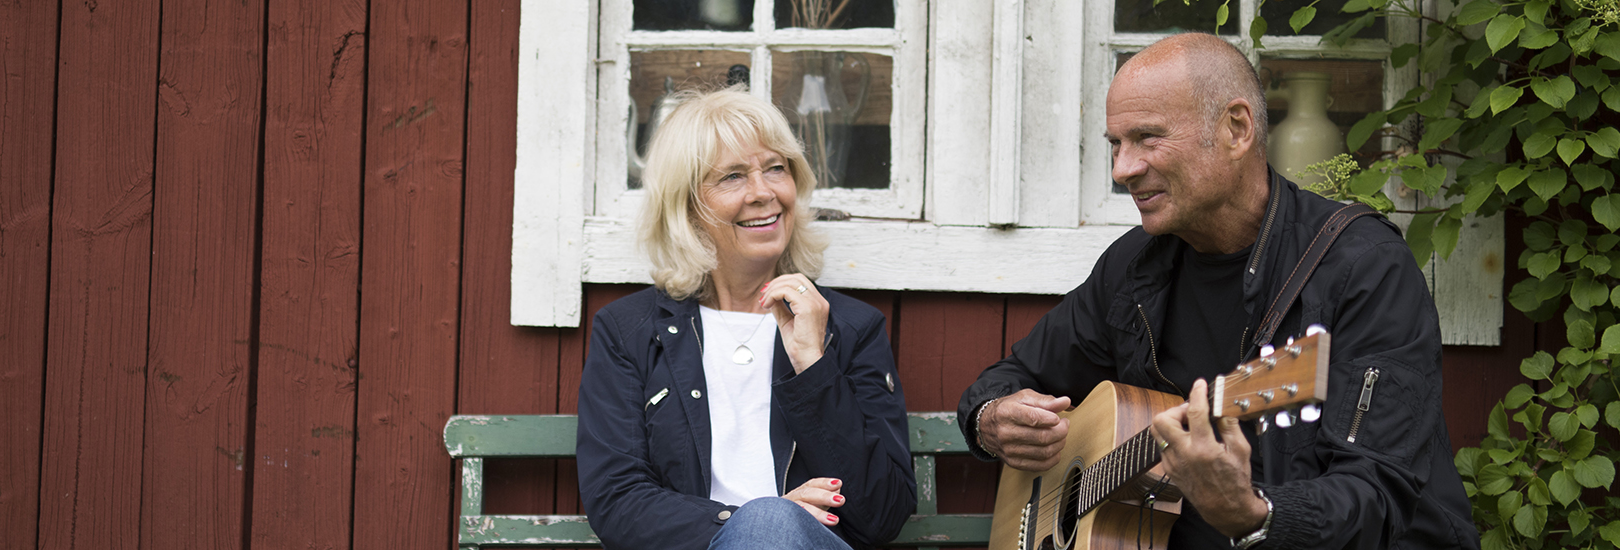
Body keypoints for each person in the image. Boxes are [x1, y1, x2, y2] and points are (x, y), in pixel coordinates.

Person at [955, 33, 1479, 549]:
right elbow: (1015, 375)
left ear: (1236, 129)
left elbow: (1376, 497)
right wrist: (991, 418)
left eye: (1148, 138)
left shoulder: (1364, 268)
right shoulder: (1132, 265)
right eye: (1116, 144)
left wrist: (1255, 515)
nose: (1122, 169)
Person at [575, 87, 915, 550]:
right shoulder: (630, 331)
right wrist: (748, 521)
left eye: (776, 168)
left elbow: (884, 513)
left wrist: (813, 367)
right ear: (687, 206)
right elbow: (618, 499)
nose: (764, 192)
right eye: (733, 177)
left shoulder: (849, 328)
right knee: (768, 524)